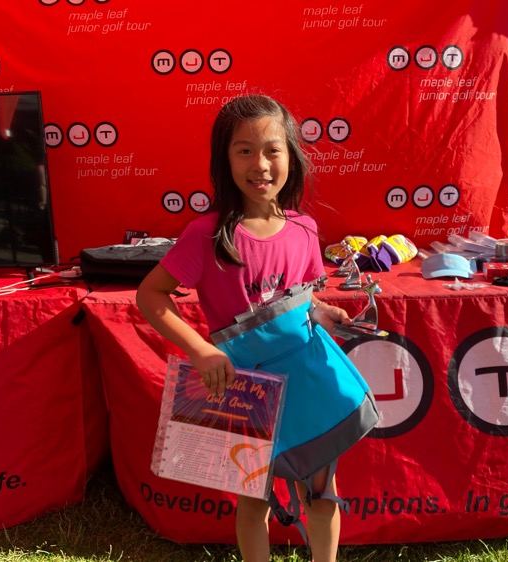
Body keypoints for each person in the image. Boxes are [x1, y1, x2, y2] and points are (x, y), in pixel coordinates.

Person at [136, 94, 354, 562]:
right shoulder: (206, 234)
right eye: (244, 151)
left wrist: (321, 312)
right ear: (225, 159)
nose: (260, 164)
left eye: (273, 150)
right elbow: (150, 295)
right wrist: (201, 350)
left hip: (306, 383)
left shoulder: (305, 229)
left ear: (291, 156)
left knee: (322, 495)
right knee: (254, 502)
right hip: (243, 389)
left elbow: (300, 298)